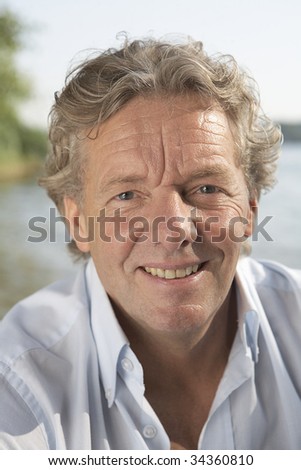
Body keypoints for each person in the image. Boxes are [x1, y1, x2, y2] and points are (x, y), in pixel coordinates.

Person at [0, 37, 301, 451]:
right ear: (77, 222)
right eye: (126, 195)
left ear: (249, 209)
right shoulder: (16, 385)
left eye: (207, 187)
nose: (173, 227)